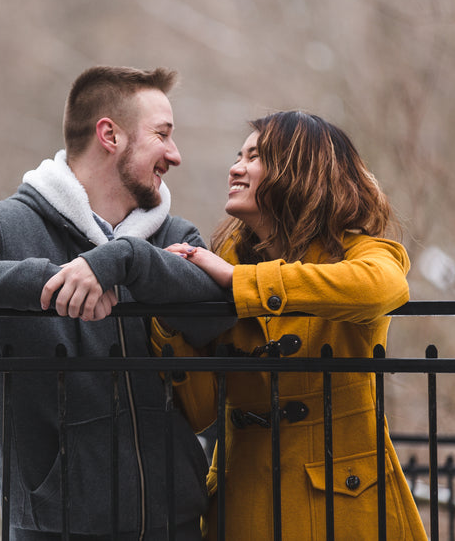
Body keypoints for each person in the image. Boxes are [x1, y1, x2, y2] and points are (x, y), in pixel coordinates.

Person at [0, 65, 229, 541]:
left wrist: (127, 259)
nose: (174, 155)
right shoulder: (5, 228)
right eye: (162, 135)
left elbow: (218, 314)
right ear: (109, 135)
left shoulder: (173, 237)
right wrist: (44, 283)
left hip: (175, 525)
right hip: (55, 528)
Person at [153, 111, 427, 540]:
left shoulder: (359, 251)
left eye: (255, 157)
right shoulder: (223, 262)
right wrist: (170, 312)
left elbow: (383, 288)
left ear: (299, 172)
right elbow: (200, 407)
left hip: (347, 508)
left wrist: (241, 283)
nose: (236, 167)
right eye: (237, 156)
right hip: (242, 507)